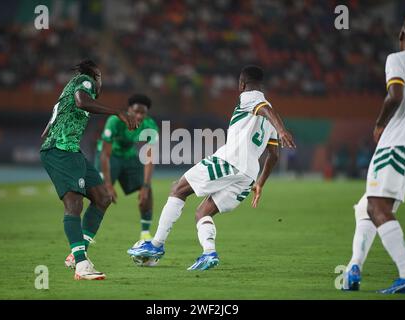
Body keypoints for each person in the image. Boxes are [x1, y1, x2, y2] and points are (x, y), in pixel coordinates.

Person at [128, 65, 295, 270]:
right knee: (202, 212)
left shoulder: (250, 98)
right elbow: (274, 155)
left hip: (230, 160)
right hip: (249, 175)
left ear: (241, 84)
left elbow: (264, 109)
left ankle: (156, 245)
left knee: (178, 189)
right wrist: (260, 182)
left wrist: (283, 130)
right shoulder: (269, 113)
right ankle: (209, 254)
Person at [40, 59, 137, 280]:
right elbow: (81, 102)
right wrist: (117, 112)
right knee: (74, 203)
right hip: (61, 151)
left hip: (71, 151)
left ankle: (77, 254)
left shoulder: (69, 88)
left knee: (103, 197)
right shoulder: (85, 81)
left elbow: (52, 122)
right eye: (101, 78)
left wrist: (51, 129)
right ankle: (82, 266)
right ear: (96, 77)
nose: (101, 83)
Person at [342, 12, 405, 293]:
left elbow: (395, 95)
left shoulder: (397, 59)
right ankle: (354, 267)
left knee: (377, 206)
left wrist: (380, 123)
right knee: (367, 206)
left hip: (399, 142)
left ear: (401, 35)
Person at [96, 94, 159, 241]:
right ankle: (87, 235)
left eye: (142, 112)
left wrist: (145, 185)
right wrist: (108, 184)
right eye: (136, 111)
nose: (139, 115)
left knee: (147, 191)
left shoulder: (150, 126)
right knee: (101, 195)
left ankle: (145, 234)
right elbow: (105, 154)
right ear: (129, 110)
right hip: (110, 156)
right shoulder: (114, 121)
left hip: (128, 156)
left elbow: (150, 157)